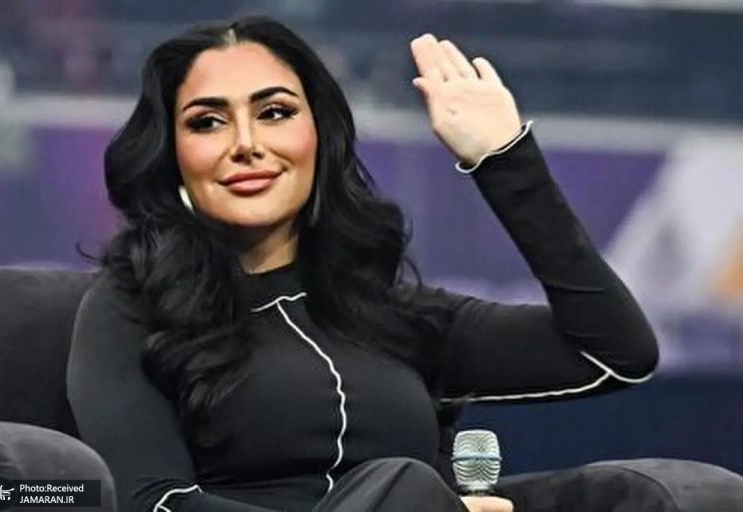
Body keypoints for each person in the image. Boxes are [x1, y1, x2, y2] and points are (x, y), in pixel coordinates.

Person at [66, 15, 658, 512]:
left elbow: (614, 353)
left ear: (320, 137)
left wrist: (505, 161)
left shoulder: (387, 312)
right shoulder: (131, 308)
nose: (245, 143)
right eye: (208, 122)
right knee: (406, 488)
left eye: (274, 113)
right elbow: (153, 501)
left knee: (667, 492)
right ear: (173, 156)